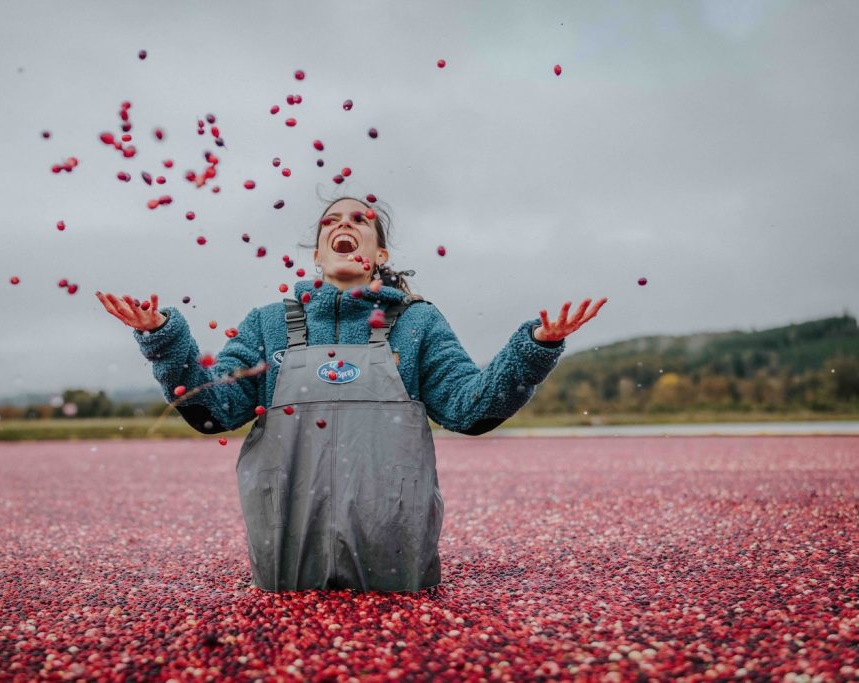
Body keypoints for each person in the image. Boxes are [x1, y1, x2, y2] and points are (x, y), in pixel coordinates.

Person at [96, 196, 606, 593]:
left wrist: (536, 347)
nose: (343, 225)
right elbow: (214, 411)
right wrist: (164, 337)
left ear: (378, 256)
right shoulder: (268, 325)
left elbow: (471, 408)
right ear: (317, 253)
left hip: (395, 549)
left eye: (360, 220)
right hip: (286, 549)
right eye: (330, 222)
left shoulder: (416, 323)